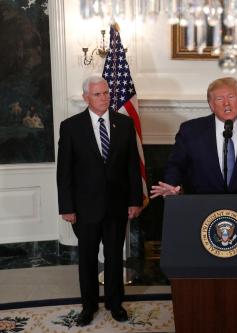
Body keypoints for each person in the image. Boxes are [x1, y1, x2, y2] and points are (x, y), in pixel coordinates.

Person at [56, 75, 143, 326]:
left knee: (115, 257)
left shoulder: (125, 124)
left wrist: (135, 200)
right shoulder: (71, 127)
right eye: (98, 94)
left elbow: (132, 167)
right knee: (87, 258)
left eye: (106, 93)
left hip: (117, 206)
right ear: (86, 98)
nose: (104, 97)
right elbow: (65, 172)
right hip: (84, 209)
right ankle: (88, 306)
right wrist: (67, 207)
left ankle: (115, 304)